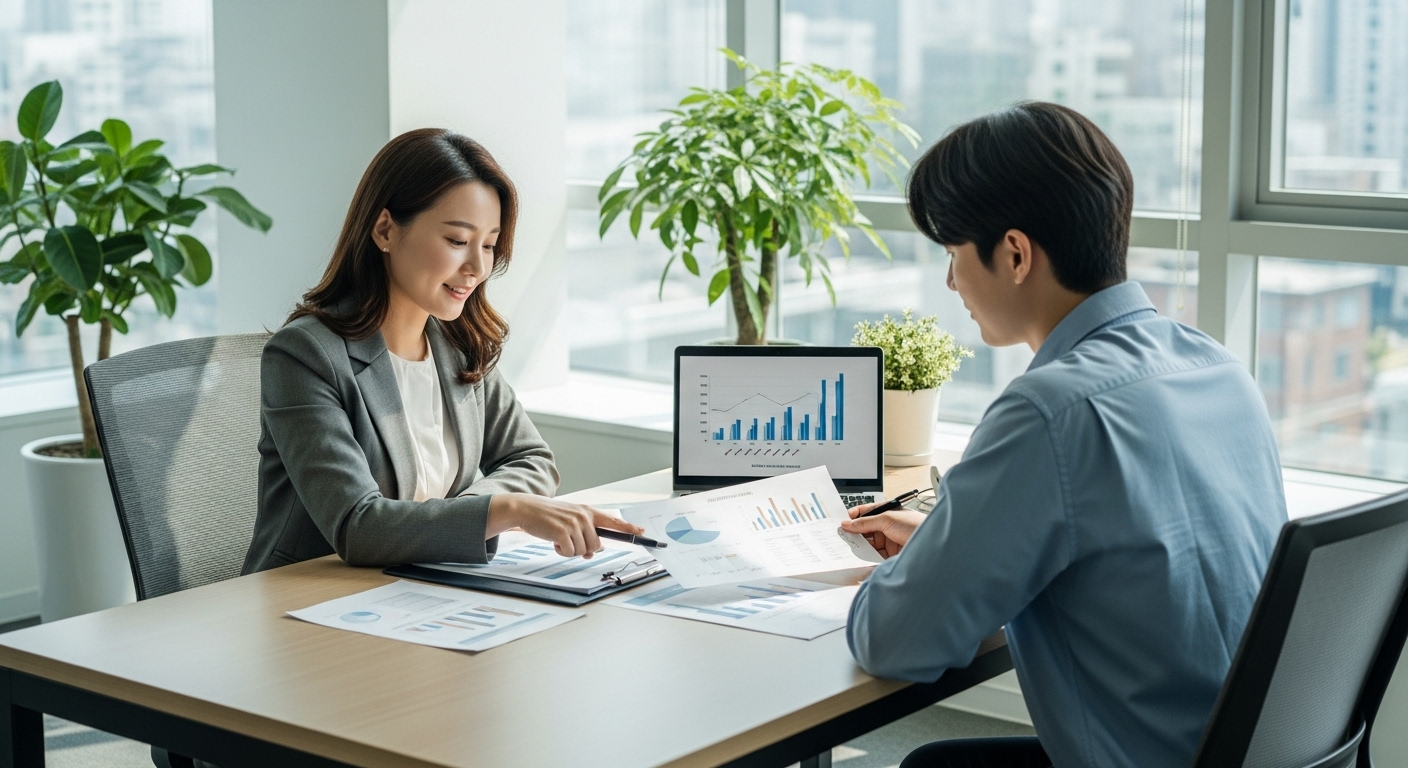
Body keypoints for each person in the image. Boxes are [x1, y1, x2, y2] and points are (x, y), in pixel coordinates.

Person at [840, 102, 1288, 768]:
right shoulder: (1216, 367)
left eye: (953, 251)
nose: (950, 279)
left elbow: (896, 641)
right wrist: (951, 542)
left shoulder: (1049, 412)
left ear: (1015, 254)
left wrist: (918, 566)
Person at [243, 129, 640, 574]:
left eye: (489, 245)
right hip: (309, 600)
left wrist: (474, 514)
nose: (477, 268)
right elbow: (357, 525)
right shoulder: (305, 356)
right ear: (386, 230)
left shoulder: (457, 343)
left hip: (423, 586)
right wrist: (507, 511)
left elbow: (531, 459)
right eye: (456, 241)